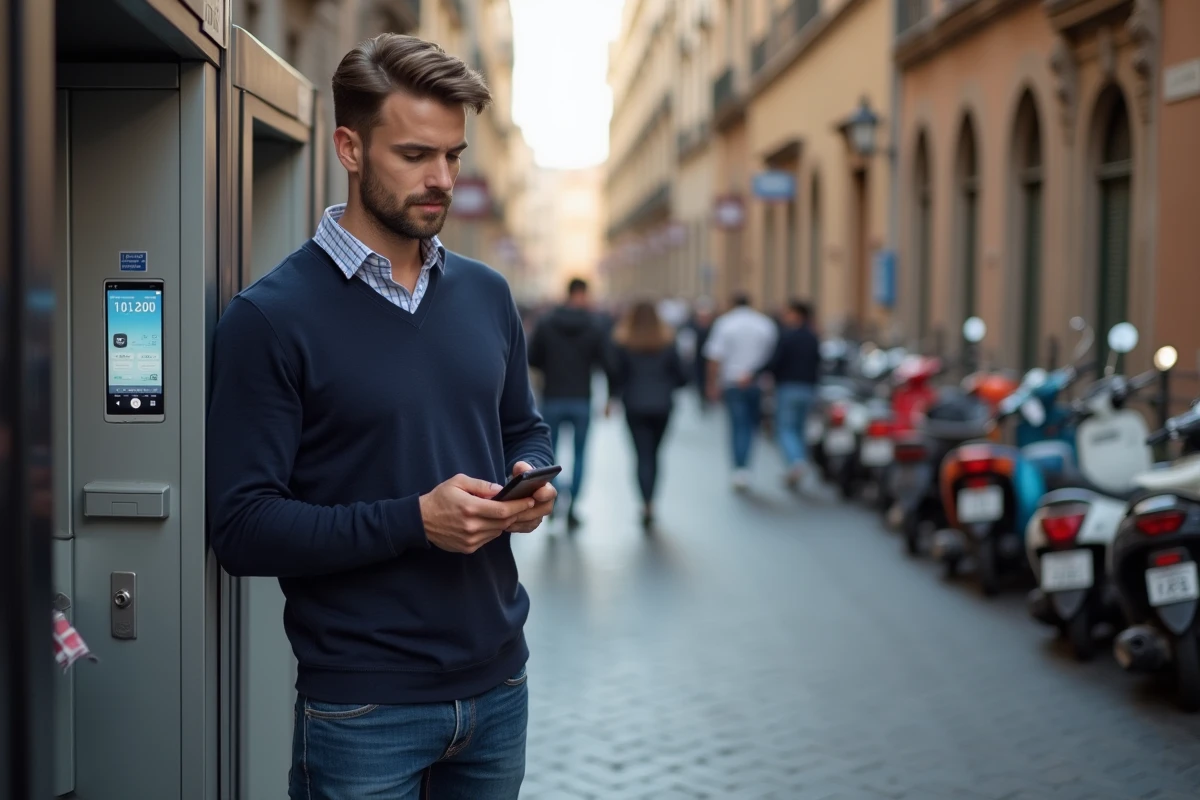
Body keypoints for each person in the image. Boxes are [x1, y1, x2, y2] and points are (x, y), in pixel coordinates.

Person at [205, 34, 555, 800]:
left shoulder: (487, 293)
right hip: (364, 708)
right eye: (416, 155)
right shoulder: (268, 319)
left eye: (454, 156)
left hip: (500, 688)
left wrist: (528, 477)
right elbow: (242, 528)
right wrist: (416, 521)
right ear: (350, 148)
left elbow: (521, 425)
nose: (443, 181)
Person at [527, 277, 608, 528]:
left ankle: (553, 495)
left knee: (549, 454)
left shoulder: (546, 322)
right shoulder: (594, 325)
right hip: (581, 397)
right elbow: (605, 360)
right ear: (584, 294)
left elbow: (532, 357)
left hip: (552, 396)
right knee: (580, 453)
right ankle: (573, 505)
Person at [607, 301, 688, 529]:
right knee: (654, 454)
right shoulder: (667, 341)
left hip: (635, 404)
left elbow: (616, 374)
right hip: (662, 405)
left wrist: (613, 397)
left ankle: (645, 502)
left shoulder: (624, 342)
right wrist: (666, 385)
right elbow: (683, 375)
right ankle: (652, 501)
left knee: (642, 455)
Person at [703, 294, 778, 490]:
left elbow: (714, 356)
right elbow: (773, 355)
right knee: (751, 426)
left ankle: (740, 467)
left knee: (738, 425)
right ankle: (745, 466)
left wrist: (711, 384)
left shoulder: (725, 323)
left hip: (732, 381)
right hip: (757, 382)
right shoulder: (764, 324)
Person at [764, 300, 822, 489]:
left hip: (788, 387)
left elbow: (775, 361)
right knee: (799, 429)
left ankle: (796, 462)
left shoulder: (787, 336)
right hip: (808, 388)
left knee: (785, 429)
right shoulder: (813, 337)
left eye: (788, 313)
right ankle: (798, 463)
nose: (785, 317)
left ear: (797, 315)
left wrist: (763, 374)